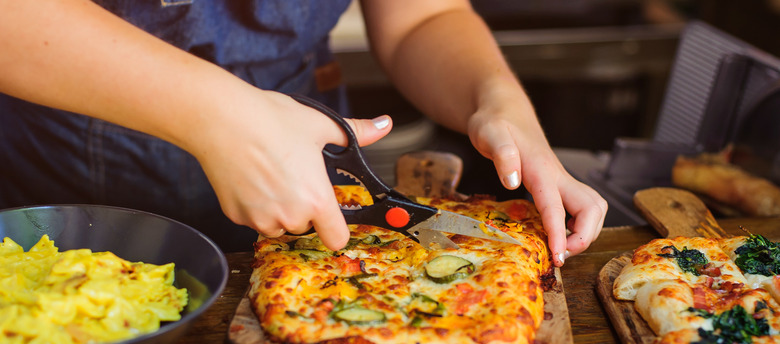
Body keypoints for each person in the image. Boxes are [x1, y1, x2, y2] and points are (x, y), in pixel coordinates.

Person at [0, 0, 607, 266]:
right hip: (63, 185)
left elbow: (424, 14)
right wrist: (215, 113)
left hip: (317, 200)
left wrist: (497, 100)